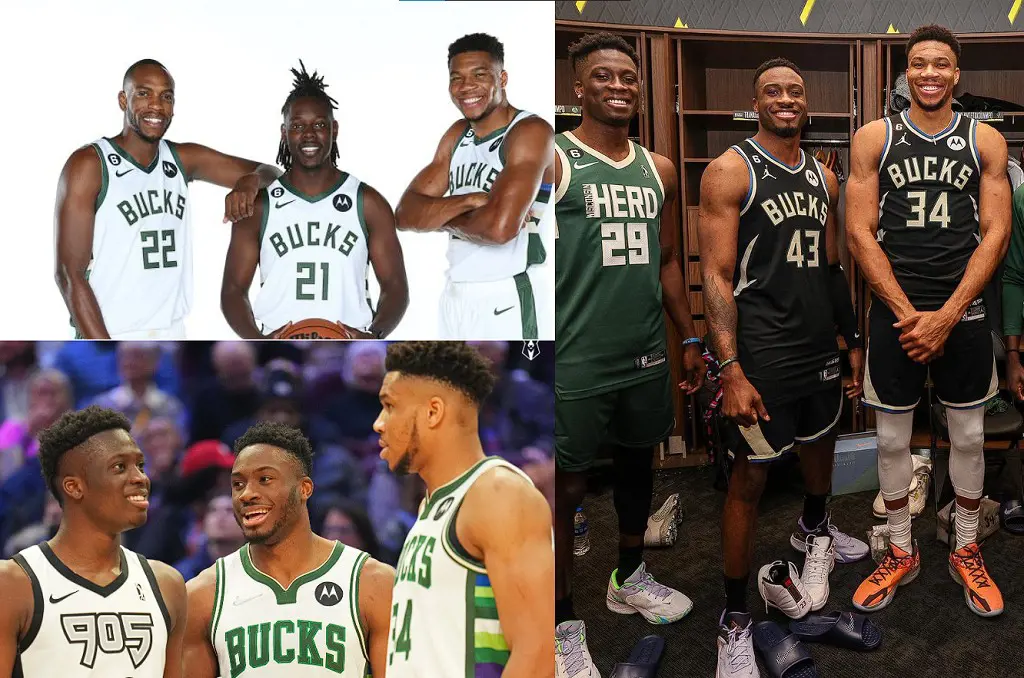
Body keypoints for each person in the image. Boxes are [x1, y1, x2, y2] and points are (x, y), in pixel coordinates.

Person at [698, 56, 868, 677]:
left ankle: (814, 531)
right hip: (762, 353)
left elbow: (830, 265)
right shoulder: (729, 171)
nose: (786, 99)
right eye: (773, 90)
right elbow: (714, 275)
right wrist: (731, 369)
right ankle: (735, 618)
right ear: (756, 102)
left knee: (821, 444)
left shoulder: (824, 180)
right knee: (751, 475)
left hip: (817, 346)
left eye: (795, 91)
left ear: (807, 103)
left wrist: (848, 335)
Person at [552, 32, 704, 678]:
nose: (619, 87)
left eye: (628, 78)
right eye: (604, 77)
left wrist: (690, 333)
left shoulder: (659, 169)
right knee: (565, 487)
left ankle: (628, 575)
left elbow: (669, 261)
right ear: (577, 88)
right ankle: (561, 622)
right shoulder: (552, 162)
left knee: (641, 464)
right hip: (574, 355)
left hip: (644, 351)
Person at [847, 25, 1011, 617]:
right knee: (891, 438)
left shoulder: (984, 139)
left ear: (957, 73)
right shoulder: (875, 137)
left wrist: (944, 317)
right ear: (906, 73)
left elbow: (995, 232)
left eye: (941, 64)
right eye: (919, 64)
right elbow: (860, 233)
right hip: (896, 309)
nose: (930, 74)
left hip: (961, 309)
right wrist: (906, 313)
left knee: (968, 434)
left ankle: (965, 548)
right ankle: (901, 551)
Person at [55, 58, 282, 339]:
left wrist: (251, 181)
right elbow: (69, 274)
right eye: (143, 93)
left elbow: (273, 174)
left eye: (166, 96)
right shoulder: (89, 164)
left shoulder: (183, 159)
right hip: (110, 331)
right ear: (123, 100)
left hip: (172, 333)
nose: (156, 105)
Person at [375, 341, 552, 677]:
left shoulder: (498, 494)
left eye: (389, 406)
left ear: (433, 411)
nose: (379, 423)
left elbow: (539, 653)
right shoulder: (433, 505)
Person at [183, 421, 394, 677]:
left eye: (265, 479)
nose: (247, 494)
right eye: (238, 484)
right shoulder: (203, 594)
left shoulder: (372, 582)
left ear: (304, 488)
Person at [221, 62, 409, 339]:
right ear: (284, 133)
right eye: (297, 125)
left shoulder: (367, 202)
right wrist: (258, 340)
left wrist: (376, 333)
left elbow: (395, 286)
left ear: (334, 129)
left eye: (319, 124)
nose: (309, 134)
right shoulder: (260, 207)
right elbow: (233, 290)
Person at [0, 406, 187, 676]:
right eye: (120, 467)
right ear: (74, 487)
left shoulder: (167, 584)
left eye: (140, 465)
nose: (140, 478)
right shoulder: (14, 583)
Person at [396, 33, 553, 340]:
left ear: (502, 77)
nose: (466, 87)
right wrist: (469, 201)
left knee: (498, 387)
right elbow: (404, 214)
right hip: (455, 291)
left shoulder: (529, 132)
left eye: (479, 75)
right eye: (457, 78)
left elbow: (499, 229)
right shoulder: (457, 135)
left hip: (508, 292)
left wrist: (437, 219)